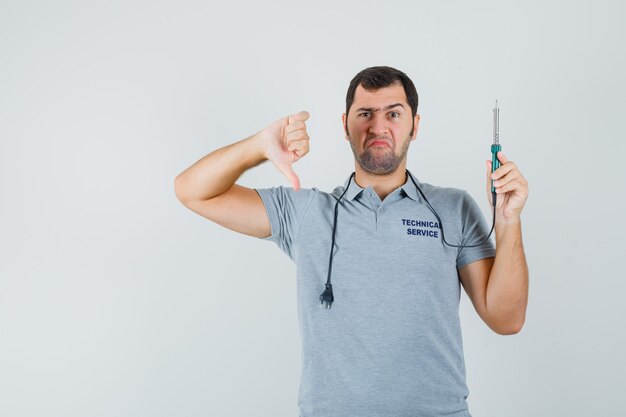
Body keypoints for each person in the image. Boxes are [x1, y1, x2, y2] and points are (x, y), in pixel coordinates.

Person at [174, 66, 529, 417]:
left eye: (393, 113)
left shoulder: (453, 209)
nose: (378, 126)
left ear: (415, 126)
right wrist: (258, 146)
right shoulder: (307, 211)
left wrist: (508, 220)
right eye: (365, 114)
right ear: (345, 125)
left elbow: (505, 319)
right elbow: (192, 191)